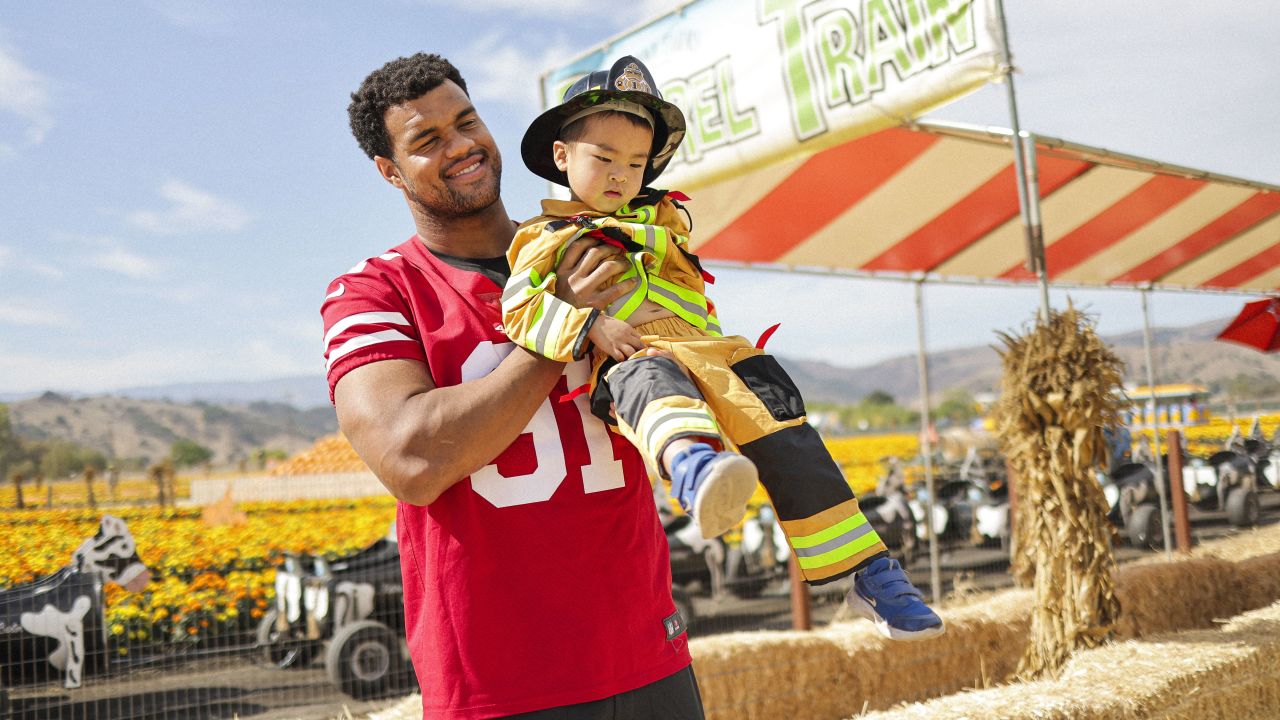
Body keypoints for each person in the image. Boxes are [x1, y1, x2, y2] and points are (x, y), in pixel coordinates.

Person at [505, 56, 943, 640]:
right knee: (655, 386)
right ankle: (694, 470)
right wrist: (590, 328)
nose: (620, 174)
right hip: (636, 353)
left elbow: (696, 304)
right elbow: (517, 310)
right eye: (603, 158)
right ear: (562, 157)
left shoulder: (666, 228)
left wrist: (722, 355)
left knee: (793, 442)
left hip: (716, 353)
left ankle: (870, 573)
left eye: (636, 163)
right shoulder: (546, 238)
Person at [327, 53, 704, 719]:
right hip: (501, 682)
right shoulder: (375, 291)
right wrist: (557, 327)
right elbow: (411, 459)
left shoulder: (594, 243)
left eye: (467, 122)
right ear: (389, 171)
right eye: (427, 139)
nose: (462, 146)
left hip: (647, 649)